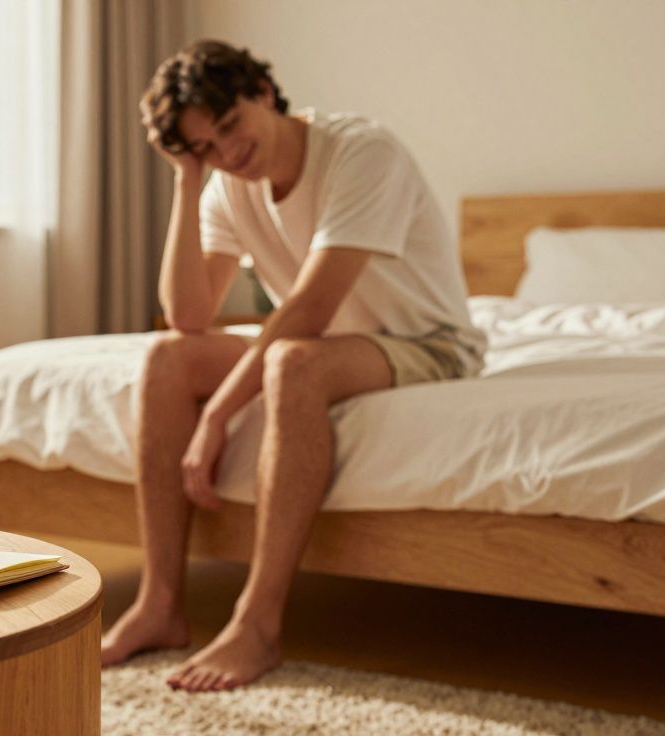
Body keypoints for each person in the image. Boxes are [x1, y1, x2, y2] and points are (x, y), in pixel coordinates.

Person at [99, 39, 486, 692]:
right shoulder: (225, 183)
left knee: (291, 363)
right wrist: (187, 182)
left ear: (262, 93)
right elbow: (188, 315)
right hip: (330, 343)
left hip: (429, 342)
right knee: (167, 356)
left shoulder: (364, 152)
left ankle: (258, 623)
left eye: (230, 126)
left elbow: (307, 309)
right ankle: (161, 603)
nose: (229, 153)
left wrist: (218, 414)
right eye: (208, 147)